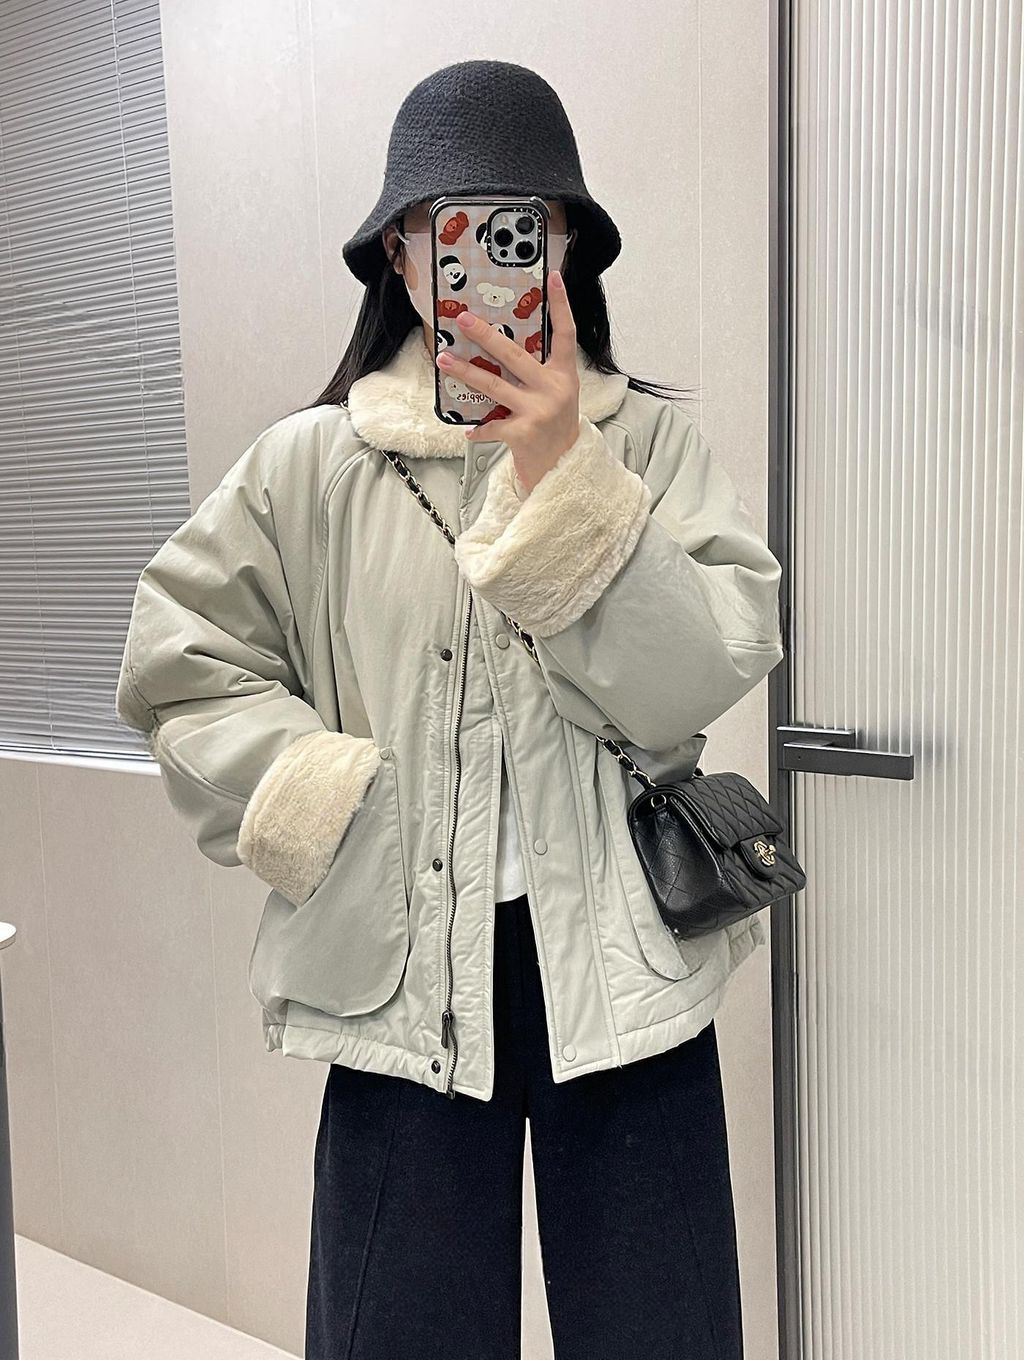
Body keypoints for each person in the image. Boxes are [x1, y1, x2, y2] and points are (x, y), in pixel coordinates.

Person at [116, 58, 785, 1360]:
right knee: (398, 1330)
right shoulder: (310, 464)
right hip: (397, 956)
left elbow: (700, 672)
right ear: (400, 254)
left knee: (662, 1326)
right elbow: (181, 659)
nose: (483, 260)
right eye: (449, 227)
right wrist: (313, 792)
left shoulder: (647, 447)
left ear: (566, 250)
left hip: (624, 968)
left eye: (522, 227)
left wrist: (567, 472)